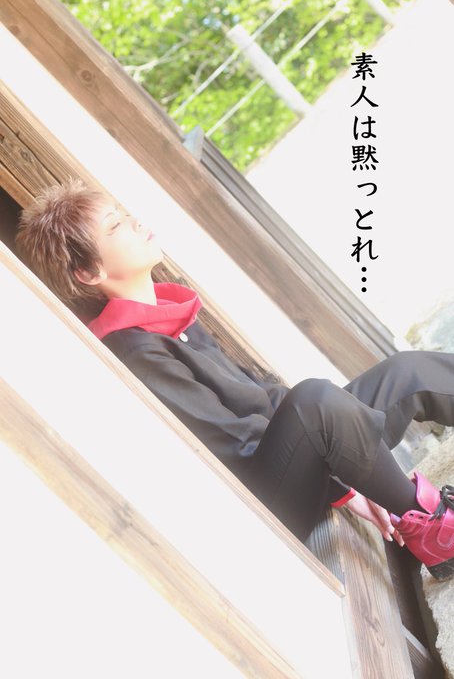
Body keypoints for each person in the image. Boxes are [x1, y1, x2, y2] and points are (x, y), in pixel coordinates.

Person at [16, 180, 454, 581]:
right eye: (115, 225)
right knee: (318, 402)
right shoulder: (135, 352)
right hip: (267, 501)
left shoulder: (164, 317)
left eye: (124, 213)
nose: (134, 221)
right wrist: (343, 487)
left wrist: (345, 456)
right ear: (88, 273)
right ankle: (436, 532)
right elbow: (233, 445)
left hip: (295, 455)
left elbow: (263, 396)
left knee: (405, 371)